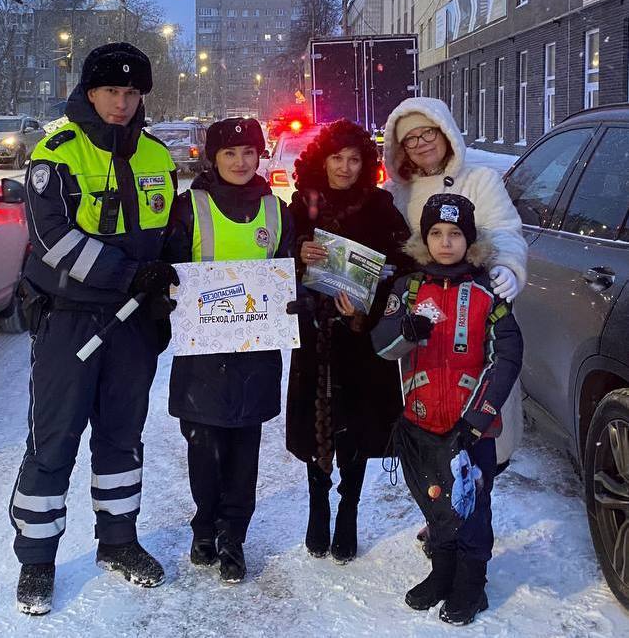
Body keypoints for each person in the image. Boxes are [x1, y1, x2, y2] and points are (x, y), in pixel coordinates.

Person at [9, 43, 179, 615]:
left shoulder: (158, 155)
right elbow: (52, 240)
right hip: (68, 321)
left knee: (122, 437)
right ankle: (36, 560)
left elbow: (172, 236)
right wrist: (131, 274)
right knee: (54, 440)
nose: (123, 103)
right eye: (112, 91)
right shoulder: (54, 153)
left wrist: (168, 279)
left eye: (133, 94)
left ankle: (120, 542)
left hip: (133, 327)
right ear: (89, 91)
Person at [372, 193, 523, 626]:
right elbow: (382, 347)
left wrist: (477, 419)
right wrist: (406, 332)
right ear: (425, 239)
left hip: (469, 430)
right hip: (420, 424)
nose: (445, 242)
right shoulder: (408, 288)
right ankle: (442, 573)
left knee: (472, 509)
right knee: (434, 505)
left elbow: (507, 356)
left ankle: (471, 585)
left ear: (469, 240)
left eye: (455, 234)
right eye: (436, 233)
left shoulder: (487, 293)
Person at [165, 117, 294, 584]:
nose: (241, 162)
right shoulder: (187, 207)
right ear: (213, 158)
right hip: (202, 352)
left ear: (260, 156)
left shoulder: (277, 211)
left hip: (256, 353)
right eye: (230, 153)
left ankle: (233, 535)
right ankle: (205, 526)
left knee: (245, 446)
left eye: (249, 153)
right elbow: (169, 266)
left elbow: (289, 272)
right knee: (202, 445)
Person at [285, 119, 413, 564]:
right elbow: (277, 260)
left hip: (361, 338)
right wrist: (299, 252)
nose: (344, 167)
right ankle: (317, 504)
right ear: (322, 159)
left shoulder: (380, 207)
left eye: (354, 159)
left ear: (367, 163)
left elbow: (401, 270)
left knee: (356, 424)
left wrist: (366, 311)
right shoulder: (303, 204)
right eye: (336, 158)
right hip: (314, 334)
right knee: (315, 421)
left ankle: (349, 509)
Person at [383, 97, 527, 302]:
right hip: (413, 302)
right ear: (403, 148)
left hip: (470, 302)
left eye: (428, 132)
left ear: (445, 132)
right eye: (410, 138)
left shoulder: (480, 180)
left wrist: (506, 264)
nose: (421, 143)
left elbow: (503, 230)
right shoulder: (395, 192)